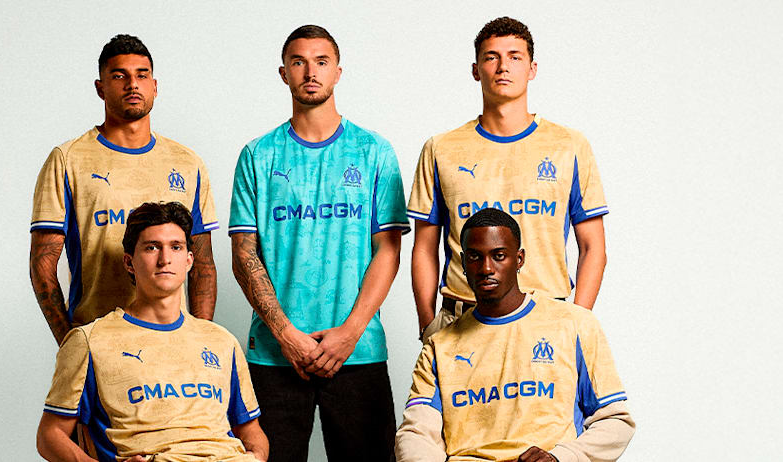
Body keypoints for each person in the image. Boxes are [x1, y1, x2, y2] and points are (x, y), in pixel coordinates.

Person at [226, 25, 404, 462]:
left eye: (321, 62)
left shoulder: (375, 152)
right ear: (283, 73)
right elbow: (243, 254)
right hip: (275, 354)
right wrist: (287, 336)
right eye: (299, 62)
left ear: (338, 72)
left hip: (357, 350)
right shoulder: (257, 155)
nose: (310, 71)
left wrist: (350, 332)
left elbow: (389, 249)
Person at [407, 16, 610, 339]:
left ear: (532, 69)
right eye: (492, 57)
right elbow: (424, 247)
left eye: (515, 57)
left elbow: (593, 246)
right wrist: (428, 324)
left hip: (546, 320)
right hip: (462, 320)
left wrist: (578, 322)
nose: (503, 67)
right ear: (476, 70)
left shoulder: (569, 145)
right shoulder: (441, 148)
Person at [395, 208, 634, 462]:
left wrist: (561, 458)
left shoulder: (574, 324)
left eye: (499, 256)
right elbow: (416, 433)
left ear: (519, 259)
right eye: (475, 257)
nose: (486, 268)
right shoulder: (438, 346)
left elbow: (615, 420)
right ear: (463, 263)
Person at [38, 202, 266, 462]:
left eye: (176, 247)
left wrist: (257, 457)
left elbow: (252, 431)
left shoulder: (221, 341)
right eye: (151, 247)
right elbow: (50, 434)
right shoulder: (90, 341)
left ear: (189, 260)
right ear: (129, 262)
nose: (165, 259)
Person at [31, 34, 221, 346]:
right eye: (119, 76)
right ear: (100, 88)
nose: (132, 84)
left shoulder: (188, 163)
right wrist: (71, 344)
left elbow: (202, 264)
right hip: (99, 341)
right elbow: (42, 263)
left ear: (155, 86)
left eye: (141, 75)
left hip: (172, 346)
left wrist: (197, 341)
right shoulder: (68, 160)